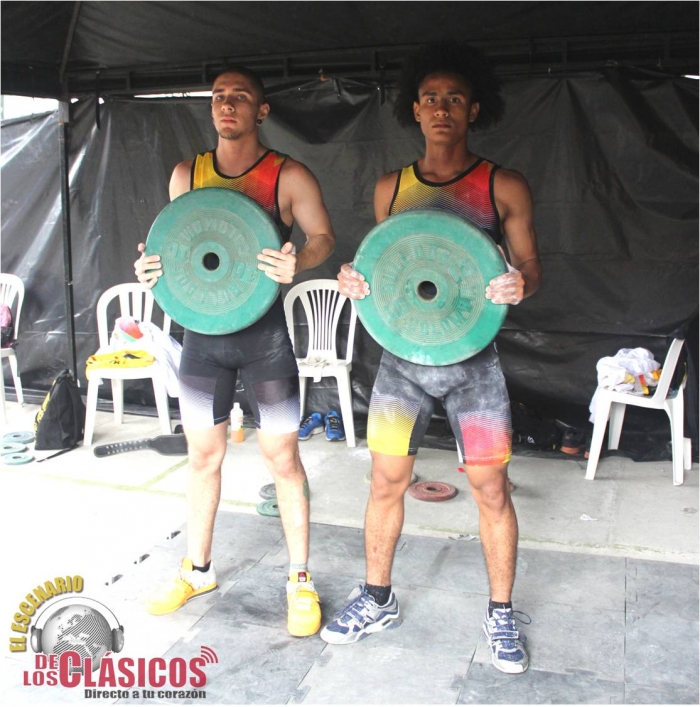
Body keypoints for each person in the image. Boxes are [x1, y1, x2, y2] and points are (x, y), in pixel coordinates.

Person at [320, 43, 541, 674]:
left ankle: (501, 612)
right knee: (385, 482)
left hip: (474, 364)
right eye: (430, 99)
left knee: (490, 488)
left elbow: (531, 265)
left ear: (474, 109)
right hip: (402, 364)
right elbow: (386, 267)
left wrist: (520, 283)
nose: (442, 109)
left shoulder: (502, 184)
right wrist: (356, 279)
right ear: (414, 110)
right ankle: (377, 598)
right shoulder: (392, 188)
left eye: (454, 99)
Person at [134, 66, 335, 637]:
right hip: (202, 342)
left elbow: (323, 237)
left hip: (265, 341)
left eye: (240, 97)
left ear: (261, 111)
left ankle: (300, 579)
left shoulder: (287, 175)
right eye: (219, 96)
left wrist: (300, 259)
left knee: (283, 461)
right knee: (203, 457)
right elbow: (177, 247)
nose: (227, 104)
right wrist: (151, 269)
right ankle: (197, 570)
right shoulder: (187, 175)